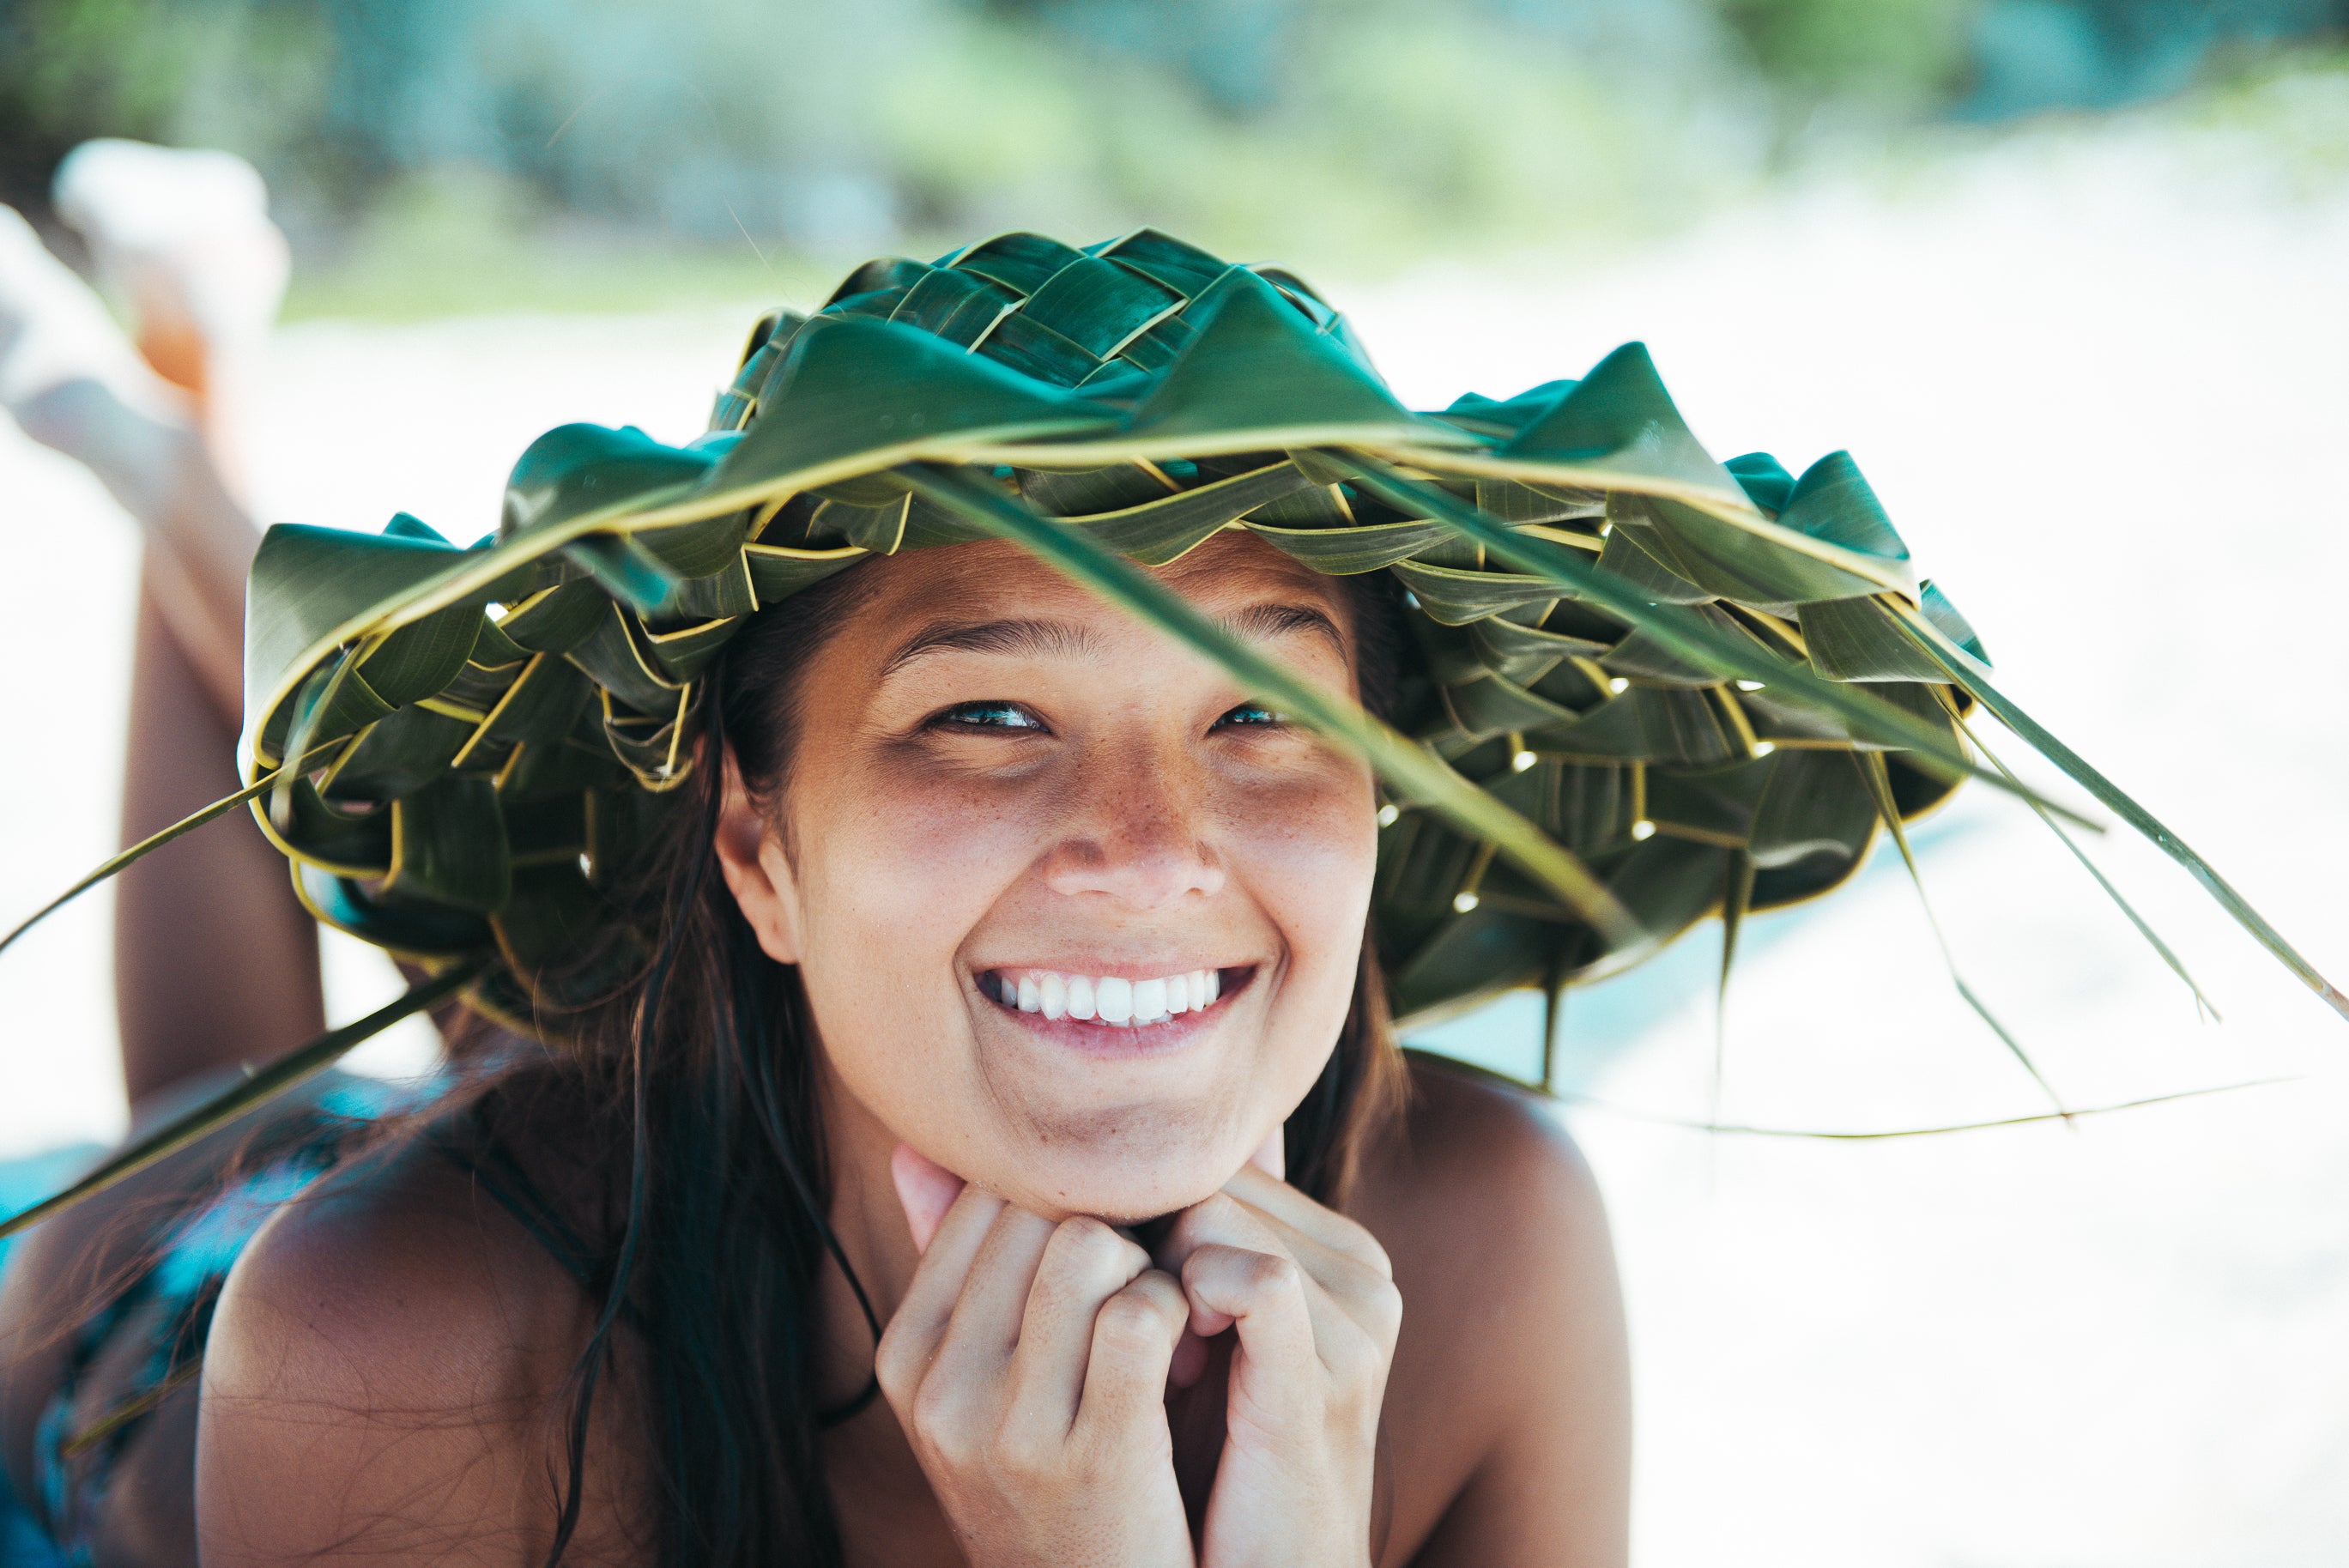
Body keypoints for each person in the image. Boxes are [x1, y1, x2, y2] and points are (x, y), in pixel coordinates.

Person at [4, 194, 2060, 1565]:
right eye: (986, 716)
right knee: (225, 1117)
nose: (1153, 847)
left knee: (569, 1038)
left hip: (752, 1082)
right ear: (751, 835)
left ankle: (166, 393)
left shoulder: (1491, 1250)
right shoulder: (404, 1340)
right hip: (120, 1373)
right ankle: (158, 425)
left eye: (1267, 718)